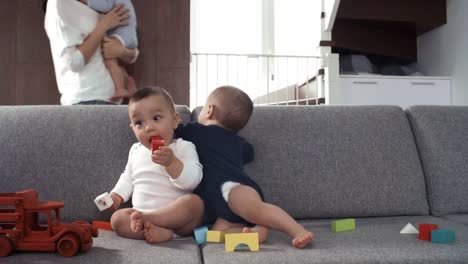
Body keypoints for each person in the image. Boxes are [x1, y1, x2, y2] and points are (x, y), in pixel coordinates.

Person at [175, 85, 314, 248]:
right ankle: (256, 231)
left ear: (209, 110)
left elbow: (174, 131)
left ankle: (296, 230)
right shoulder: (237, 142)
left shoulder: (194, 131)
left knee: (255, 209)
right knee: (218, 232)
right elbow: (250, 153)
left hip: (234, 188)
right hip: (222, 208)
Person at [104, 86, 204, 243]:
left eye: (156, 118)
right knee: (117, 219)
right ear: (133, 129)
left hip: (176, 220)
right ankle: (159, 232)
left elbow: (192, 181)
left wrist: (172, 163)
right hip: (139, 214)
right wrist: (116, 196)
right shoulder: (136, 150)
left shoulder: (183, 147)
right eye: (139, 123)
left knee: (195, 204)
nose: (148, 128)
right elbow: (127, 178)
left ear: (175, 120)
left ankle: (160, 226)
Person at [44, 0, 138, 105]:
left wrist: (121, 51)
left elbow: (133, 53)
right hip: (88, 99)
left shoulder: (101, 4)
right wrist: (104, 25)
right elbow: (73, 62)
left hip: (113, 101)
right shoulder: (59, 4)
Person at [79, 0, 138, 102]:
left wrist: (86, 2)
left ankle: (120, 89)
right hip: (126, 32)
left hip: (122, 34)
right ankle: (129, 86)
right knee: (118, 65)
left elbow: (105, 5)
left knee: (110, 61)